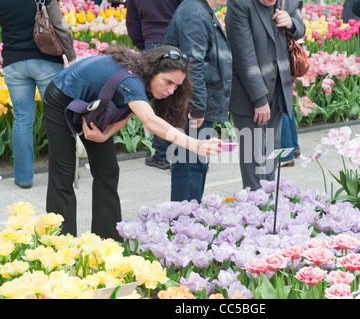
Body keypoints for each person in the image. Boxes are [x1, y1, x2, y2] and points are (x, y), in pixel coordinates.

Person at [42, 45, 222, 240]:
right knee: (64, 175)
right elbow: (150, 120)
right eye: (168, 82)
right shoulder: (131, 80)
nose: (171, 90)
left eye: (177, 86)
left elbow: (125, 111)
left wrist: (105, 135)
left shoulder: (144, 80)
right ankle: (61, 244)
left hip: (94, 104)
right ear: (154, 71)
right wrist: (196, 145)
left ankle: (107, 240)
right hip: (61, 98)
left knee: (108, 170)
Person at [225, 0, 305, 191]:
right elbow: (244, 56)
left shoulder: (287, 2)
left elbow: (301, 29)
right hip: (250, 94)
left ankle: (267, 204)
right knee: (254, 157)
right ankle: (255, 207)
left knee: (271, 152)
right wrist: (259, 99)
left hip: (278, 88)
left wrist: (292, 23)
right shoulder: (240, 5)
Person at [0, 0, 76, 189]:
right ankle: (64, 176)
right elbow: (60, 25)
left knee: (22, 119)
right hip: (46, 61)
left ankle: (23, 179)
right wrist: (71, 57)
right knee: (57, 118)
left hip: (13, 63)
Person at [165, 0, 232, 202]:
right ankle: (185, 222)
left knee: (196, 162)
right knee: (189, 163)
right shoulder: (194, 12)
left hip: (198, 100)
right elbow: (192, 63)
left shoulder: (200, 9)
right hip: (192, 104)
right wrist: (197, 106)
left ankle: (191, 219)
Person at [126, 0, 183, 170]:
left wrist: (146, 48)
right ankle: (182, 150)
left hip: (152, 42)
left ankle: (161, 155)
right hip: (177, 42)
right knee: (177, 97)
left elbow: (133, 22)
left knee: (159, 101)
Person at [280, 0, 303, 168]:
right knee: (285, 97)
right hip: (285, 54)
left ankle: (285, 153)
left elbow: (300, 27)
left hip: (278, 55)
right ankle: (293, 146)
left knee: (279, 101)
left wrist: (291, 23)